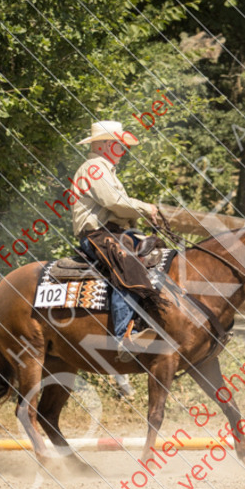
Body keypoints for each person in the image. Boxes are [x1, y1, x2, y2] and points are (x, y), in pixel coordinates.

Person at [71, 120, 166, 361]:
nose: (122, 150)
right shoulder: (94, 167)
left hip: (113, 233)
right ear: (104, 144)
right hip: (97, 235)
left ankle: (147, 320)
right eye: (118, 144)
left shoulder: (105, 169)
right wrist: (145, 208)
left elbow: (118, 208)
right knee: (128, 265)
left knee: (157, 254)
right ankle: (123, 336)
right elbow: (113, 202)